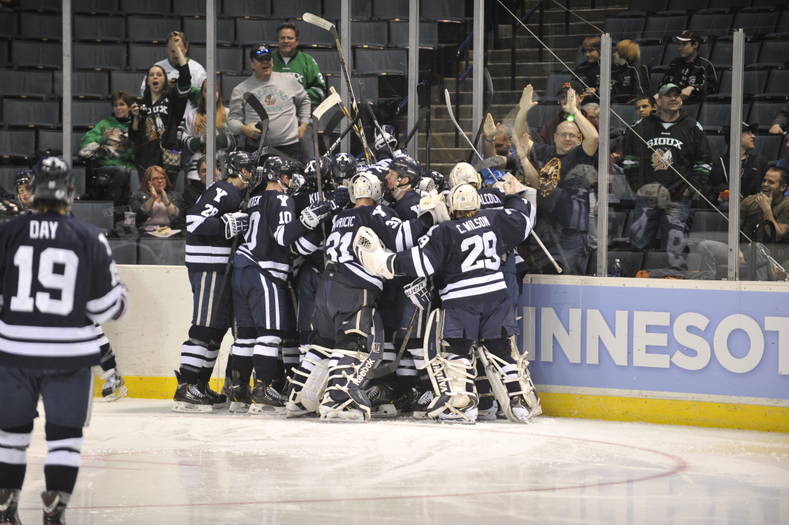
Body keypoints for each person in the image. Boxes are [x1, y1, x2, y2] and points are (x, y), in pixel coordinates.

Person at [0, 157, 127, 525]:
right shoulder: (89, 237)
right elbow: (106, 307)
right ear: (71, 193)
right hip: (70, 355)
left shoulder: (8, 233)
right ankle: (54, 511)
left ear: (33, 191)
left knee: (10, 437)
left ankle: (6, 506)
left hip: (14, 353)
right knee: (64, 439)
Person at [354, 178, 539, 424]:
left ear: (452, 207)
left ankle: (463, 406)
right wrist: (514, 196)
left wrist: (386, 262)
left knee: (457, 351)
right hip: (496, 295)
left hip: (461, 299)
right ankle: (520, 402)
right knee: (501, 350)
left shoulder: (444, 231)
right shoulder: (494, 218)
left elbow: (421, 263)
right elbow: (524, 219)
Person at [309, 171, 440, 421]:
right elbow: (401, 238)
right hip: (354, 286)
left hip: (328, 283)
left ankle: (300, 395)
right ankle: (338, 399)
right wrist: (429, 217)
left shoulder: (340, 216)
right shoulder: (375, 212)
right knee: (351, 341)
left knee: (325, 342)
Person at [230, 155, 332, 414]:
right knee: (270, 333)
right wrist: (309, 220)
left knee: (246, 335)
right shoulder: (282, 199)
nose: (292, 181)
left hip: (241, 267)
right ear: (280, 177)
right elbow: (283, 236)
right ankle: (263, 389)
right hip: (263, 269)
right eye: (288, 176)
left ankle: (238, 391)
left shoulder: (254, 198)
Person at [173, 151, 253, 412]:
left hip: (219, 267)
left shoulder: (236, 194)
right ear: (239, 170)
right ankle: (186, 386)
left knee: (217, 328)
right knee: (204, 326)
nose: (253, 173)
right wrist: (226, 224)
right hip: (208, 265)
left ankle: (200, 384)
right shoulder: (222, 190)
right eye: (249, 168)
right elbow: (194, 222)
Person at [623, 83, 712, 270]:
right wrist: (639, 188)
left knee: (675, 251)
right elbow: (630, 161)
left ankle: (675, 280)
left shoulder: (692, 127)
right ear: (658, 101)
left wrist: (690, 190)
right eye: (668, 95)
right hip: (647, 198)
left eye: (677, 95)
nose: (674, 99)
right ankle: (634, 280)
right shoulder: (640, 127)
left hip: (678, 199)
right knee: (638, 246)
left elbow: (704, 162)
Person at [528, 87, 600, 274]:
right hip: (547, 227)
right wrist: (522, 112)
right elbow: (522, 142)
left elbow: (593, 138)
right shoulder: (547, 147)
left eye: (572, 135)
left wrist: (574, 111)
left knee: (571, 277)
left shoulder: (580, 152)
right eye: (563, 135)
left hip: (573, 229)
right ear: (555, 137)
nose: (567, 138)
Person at [695, 167, 789, 280]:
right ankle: (708, 285)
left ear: (783, 187)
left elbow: (777, 235)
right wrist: (737, 249)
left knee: (755, 248)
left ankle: (759, 288)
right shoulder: (750, 201)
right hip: (743, 251)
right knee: (705, 246)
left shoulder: (786, 205)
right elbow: (734, 229)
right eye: (764, 180)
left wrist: (766, 209)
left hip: (774, 257)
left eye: (771, 182)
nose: (765, 184)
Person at [228, 43, 311, 161]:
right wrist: (244, 129)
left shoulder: (289, 80)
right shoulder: (240, 90)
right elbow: (232, 120)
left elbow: (305, 100)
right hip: (258, 149)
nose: (265, 62)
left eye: (267, 59)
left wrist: (304, 124)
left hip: (290, 148)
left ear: (272, 61)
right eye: (260, 60)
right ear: (252, 64)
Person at [129, 34, 192, 184]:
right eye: (151, 75)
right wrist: (135, 117)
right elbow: (134, 136)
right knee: (148, 194)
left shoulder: (172, 100)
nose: (155, 77)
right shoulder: (140, 103)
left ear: (165, 80)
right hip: (145, 158)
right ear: (147, 81)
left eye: (159, 75)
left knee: (166, 194)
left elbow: (185, 79)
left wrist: (177, 49)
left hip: (167, 157)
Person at [272, 22, 328, 161]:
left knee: (309, 161)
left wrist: (296, 97)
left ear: (297, 41)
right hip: (274, 121)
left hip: (302, 121)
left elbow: (320, 91)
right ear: (277, 40)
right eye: (282, 38)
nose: (286, 41)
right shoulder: (268, 60)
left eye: (289, 38)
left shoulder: (307, 61)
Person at [78, 91, 136, 206]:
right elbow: (85, 143)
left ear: (129, 107)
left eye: (122, 104)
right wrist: (102, 138)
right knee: (121, 172)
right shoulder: (104, 124)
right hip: (106, 167)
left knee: (128, 172)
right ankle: (111, 208)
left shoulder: (135, 125)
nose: (118, 108)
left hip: (129, 166)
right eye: (115, 105)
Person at [178, 80, 235, 185]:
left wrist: (215, 135)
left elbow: (233, 143)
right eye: (207, 90)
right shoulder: (192, 114)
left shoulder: (228, 113)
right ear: (202, 93)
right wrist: (202, 139)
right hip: (196, 172)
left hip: (222, 169)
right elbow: (184, 141)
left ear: (219, 93)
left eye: (215, 90)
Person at [709, 122, 769, 204]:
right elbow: (713, 190)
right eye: (748, 133)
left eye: (752, 133)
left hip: (754, 207)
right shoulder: (718, 162)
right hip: (726, 207)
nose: (753, 136)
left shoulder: (760, 162)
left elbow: (766, 188)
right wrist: (725, 194)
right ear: (735, 136)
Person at [138, 31, 206, 96]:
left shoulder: (198, 69)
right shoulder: (157, 68)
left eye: (178, 50)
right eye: (172, 51)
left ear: (186, 48)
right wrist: (164, 86)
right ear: (167, 49)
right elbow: (143, 91)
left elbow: (206, 94)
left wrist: (185, 89)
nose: (176, 54)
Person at [660, 31, 718, 104]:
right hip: (672, 103)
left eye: (684, 44)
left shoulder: (704, 65)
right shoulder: (674, 63)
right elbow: (663, 85)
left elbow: (711, 88)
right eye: (679, 44)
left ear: (695, 45)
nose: (680, 48)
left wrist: (692, 88)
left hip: (694, 104)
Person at [129, 165, 185, 231]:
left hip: (169, 232)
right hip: (145, 232)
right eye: (155, 178)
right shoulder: (138, 195)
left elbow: (179, 218)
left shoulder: (175, 195)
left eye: (163, 178)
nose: (160, 181)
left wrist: (166, 201)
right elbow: (137, 218)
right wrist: (153, 198)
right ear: (148, 182)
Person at [575, 37, 600, 101]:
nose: (587, 54)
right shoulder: (580, 69)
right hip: (585, 102)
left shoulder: (610, 68)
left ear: (600, 50)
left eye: (591, 50)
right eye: (585, 51)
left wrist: (597, 91)